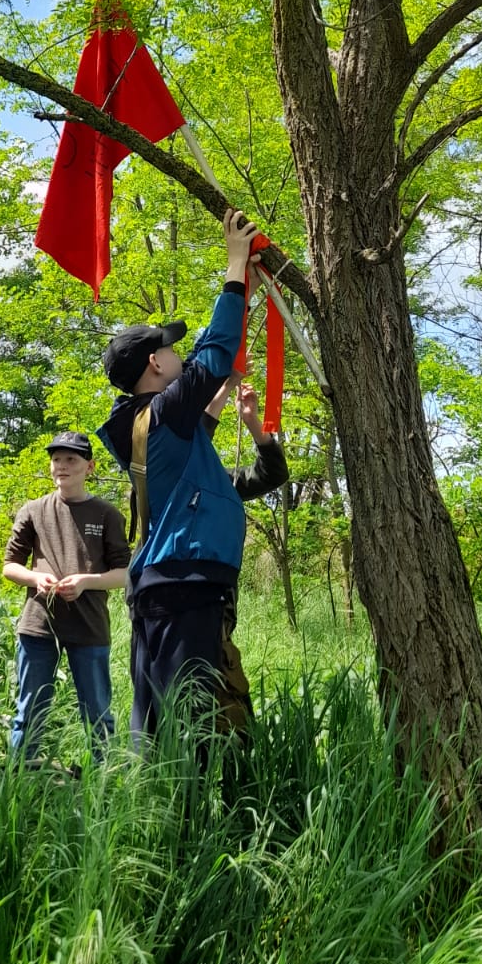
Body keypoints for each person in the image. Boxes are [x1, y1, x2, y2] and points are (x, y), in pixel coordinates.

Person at [97, 210, 289, 743]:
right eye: (170, 347)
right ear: (155, 364)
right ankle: (175, 816)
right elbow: (212, 358)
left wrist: (252, 421)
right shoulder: (159, 417)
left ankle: (167, 811)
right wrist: (233, 266)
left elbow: (262, 469)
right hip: (182, 587)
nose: (178, 352)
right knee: (188, 724)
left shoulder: (167, 437)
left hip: (185, 587)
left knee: (174, 719)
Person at [2, 432, 130, 759]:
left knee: (97, 713)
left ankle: (102, 786)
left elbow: (125, 574)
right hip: (38, 623)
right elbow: (10, 567)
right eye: (57, 459)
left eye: (71, 459)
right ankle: (21, 781)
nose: (62, 466)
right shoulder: (32, 510)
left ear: (90, 466)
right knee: (28, 711)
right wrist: (35, 578)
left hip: (89, 626)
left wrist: (86, 581)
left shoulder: (108, 515)